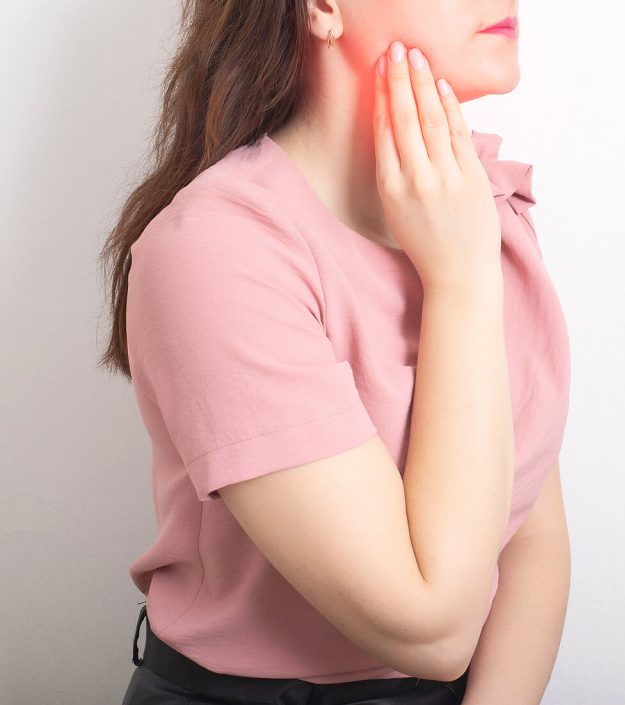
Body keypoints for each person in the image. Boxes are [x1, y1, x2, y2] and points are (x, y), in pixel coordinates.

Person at [97, 1, 572, 704]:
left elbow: (533, 534)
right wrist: (462, 284)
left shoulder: (469, 205)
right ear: (322, 6)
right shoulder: (216, 251)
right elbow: (433, 630)